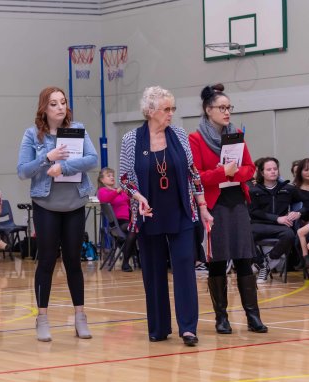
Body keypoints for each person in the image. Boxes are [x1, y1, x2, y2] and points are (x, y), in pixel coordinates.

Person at [119, 86, 212, 346]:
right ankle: (159, 327)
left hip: (181, 211)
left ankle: (188, 328)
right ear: (150, 111)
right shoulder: (131, 139)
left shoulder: (179, 135)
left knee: (184, 267)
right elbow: (124, 178)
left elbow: (193, 173)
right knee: (153, 271)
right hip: (148, 213)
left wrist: (203, 206)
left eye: (173, 109)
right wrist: (138, 197)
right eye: (166, 109)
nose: (171, 113)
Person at [17, 86, 98, 342]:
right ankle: (42, 318)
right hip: (46, 206)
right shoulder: (32, 135)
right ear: (44, 108)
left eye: (63, 102)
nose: (60, 107)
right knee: (47, 261)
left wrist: (63, 167)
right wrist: (46, 158)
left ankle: (80, 317)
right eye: (54, 103)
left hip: (74, 204)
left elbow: (92, 159)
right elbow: (22, 171)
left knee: (74, 261)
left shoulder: (77, 129)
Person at [189, 83, 267, 335]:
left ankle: (253, 316)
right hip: (214, 205)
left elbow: (249, 168)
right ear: (208, 110)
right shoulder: (195, 138)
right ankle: (221, 317)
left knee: (245, 258)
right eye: (222, 108)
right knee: (218, 260)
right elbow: (197, 176)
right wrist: (223, 172)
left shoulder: (236, 134)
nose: (227, 112)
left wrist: (233, 174)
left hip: (237, 202)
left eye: (229, 107)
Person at [249, 157, 306, 283]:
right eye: (269, 169)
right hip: (259, 224)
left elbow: (306, 205)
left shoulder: (289, 189)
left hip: (282, 227)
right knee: (244, 234)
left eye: (275, 169)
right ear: (262, 172)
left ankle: (267, 262)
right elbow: (253, 211)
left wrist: (298, 213)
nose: (273, 171)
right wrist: (276, 218)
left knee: (290, 234)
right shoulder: (254, 190)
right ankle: (260, 263)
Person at [97, 167, 136, 272]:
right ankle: (126, 262)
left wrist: (131, 189)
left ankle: (139, 258)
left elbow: (129, 201)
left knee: (138, 227)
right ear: (102, 180)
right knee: (133, 229)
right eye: (109, 176)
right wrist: (119, 189)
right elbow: (106, 199)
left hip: (127, 221)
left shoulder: (118, 191)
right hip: (117, 224)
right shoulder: (102, 191)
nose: (112, 177)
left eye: (113, 175)